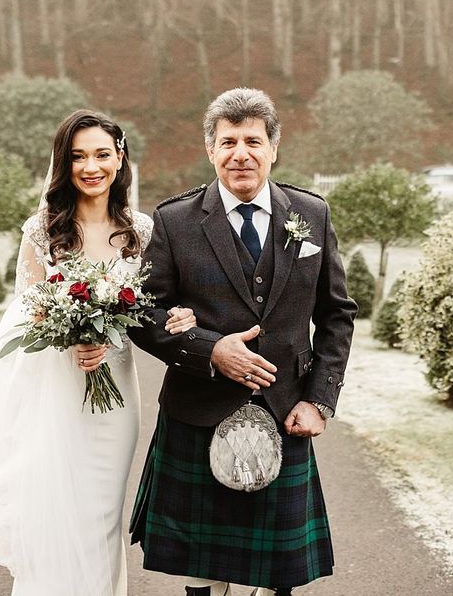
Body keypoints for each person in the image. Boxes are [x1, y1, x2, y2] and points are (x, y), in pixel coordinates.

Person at [128, 88, 357, 596]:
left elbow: (337, 315)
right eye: (227, 141)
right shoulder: (175, 220)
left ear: (274, 148)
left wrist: (320, 399)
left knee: (278, 573)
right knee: (202, 569)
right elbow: (142, 314)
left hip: (285, 408)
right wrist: (210, 350)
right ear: (210, 150)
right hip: (197, 410)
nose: (241, 153)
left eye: (253, 140)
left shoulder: (311, 214)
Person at [0, 109, 195, 596]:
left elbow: (157, 307)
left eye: (101, 154)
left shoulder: (144, 231)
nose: (90, 166)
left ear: (120, 158)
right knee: (55, 505)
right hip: (55, 390)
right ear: (63, 164)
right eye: (78, 156)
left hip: (115, 399)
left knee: (102, 514)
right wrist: (69, 336)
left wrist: (183, 318)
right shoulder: (41, 231)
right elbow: (25, 313)